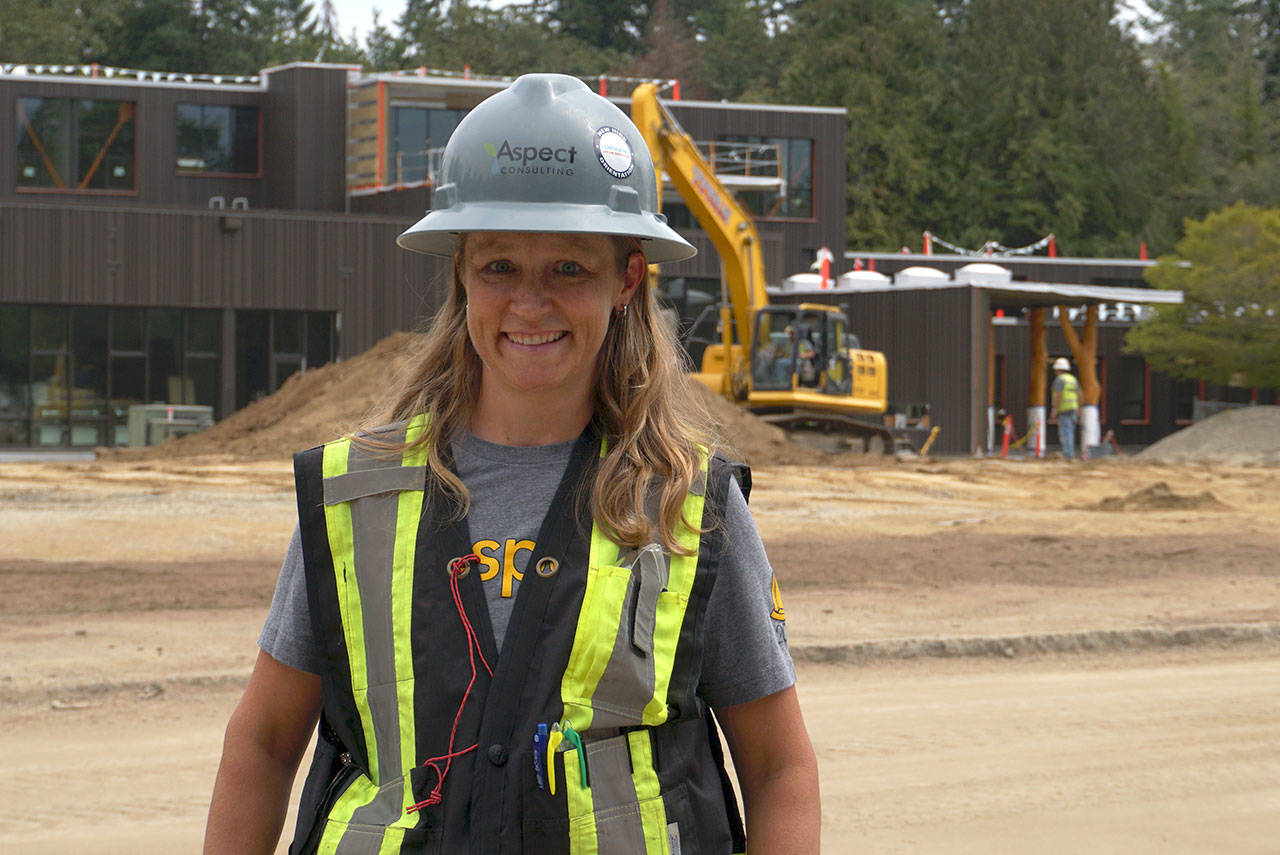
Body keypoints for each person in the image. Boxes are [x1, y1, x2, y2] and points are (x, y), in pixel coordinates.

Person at [203, 73, 820, 854]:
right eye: (500, 267)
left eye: (569, 268)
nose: (530, 303)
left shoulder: (686, 506)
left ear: (628, 279)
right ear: (461, 271)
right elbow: (262, 742)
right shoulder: (358, 499)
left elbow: (779, 766)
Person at [1050, 356, 1080, 460]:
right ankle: (1069, 453)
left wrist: (1054, 409)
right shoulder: (1073, 379)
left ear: (1057, 370)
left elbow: (1058, 395)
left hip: (1064, 410)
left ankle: (1068, 455)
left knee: (1065, 433)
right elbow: (1080, 394)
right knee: (1070, 432)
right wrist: (1080, 409)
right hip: (1073, 409)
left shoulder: (1060, 380)